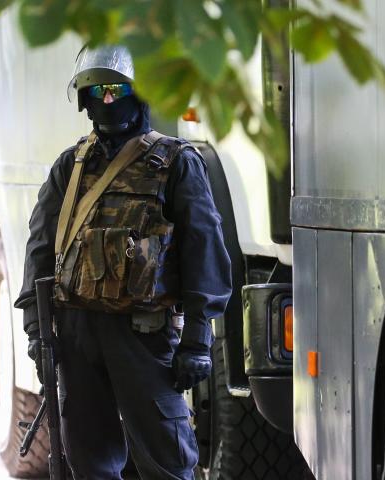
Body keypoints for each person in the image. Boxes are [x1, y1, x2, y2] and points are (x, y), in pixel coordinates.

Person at [14, 45, 232, 480]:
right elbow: (40, 252)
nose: (107, 101)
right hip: (78, 338)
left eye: (116, 90)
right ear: (85, 100)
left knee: (165, 463)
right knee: (89, 463)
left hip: (144, 338)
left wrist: (196, 340)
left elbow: (203, 249)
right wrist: (39, 335)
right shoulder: (70, 168)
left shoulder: (176, 163)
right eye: (98, 92)